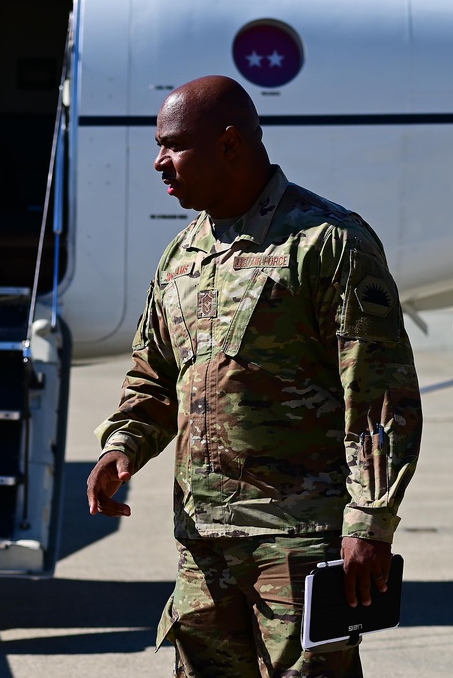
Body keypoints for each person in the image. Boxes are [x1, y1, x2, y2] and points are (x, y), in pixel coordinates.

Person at [86, 76, 422, 677]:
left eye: (174, 145)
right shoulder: (181, 255)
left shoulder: (327, 243)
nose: (160, 162)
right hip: (202, 543)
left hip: (298, 540)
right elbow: (156, 375)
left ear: (231, 144)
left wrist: (370, 521)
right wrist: (124, 445)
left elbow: (379, 395)